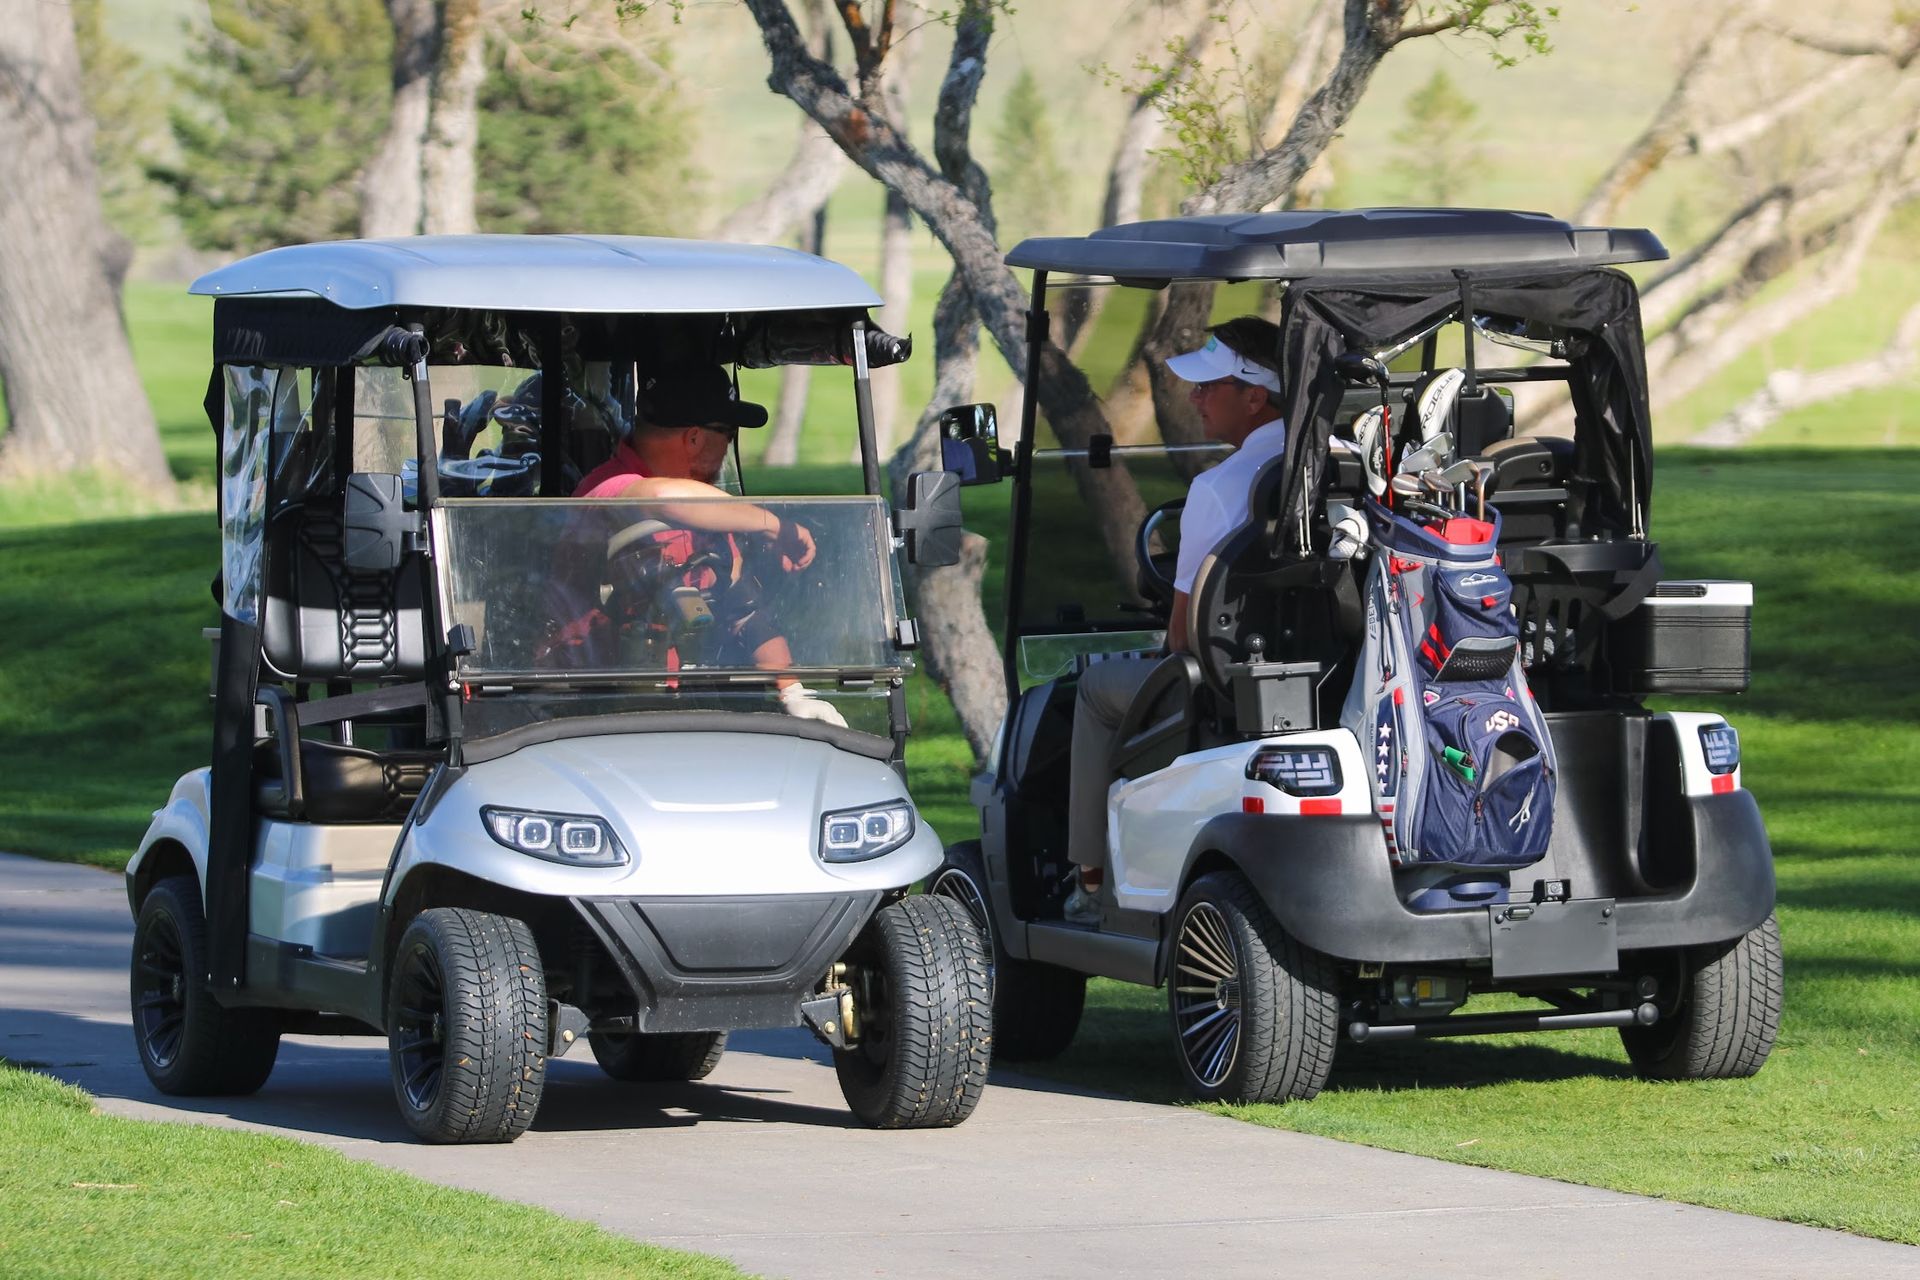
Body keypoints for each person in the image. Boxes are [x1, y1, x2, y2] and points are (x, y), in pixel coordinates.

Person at [1062, 317, 1289, 924]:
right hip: (1326, 676)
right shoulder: (1348, 464)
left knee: (1094, 689)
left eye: (1208, 386)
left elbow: (1185, 638)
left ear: (1254, 396)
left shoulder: (1219, 487)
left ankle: (1089, 877)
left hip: (1221, 685)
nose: (1193, 397)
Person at [566, 364, 845, 727]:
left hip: (682, 705)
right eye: (728, 434)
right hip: (582, 706)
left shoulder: (706, 512)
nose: (729, 446)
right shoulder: (608, 489)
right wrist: (774, 526)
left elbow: (742, 606)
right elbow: (662, 496)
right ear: (695, 438)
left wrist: (791, 689)